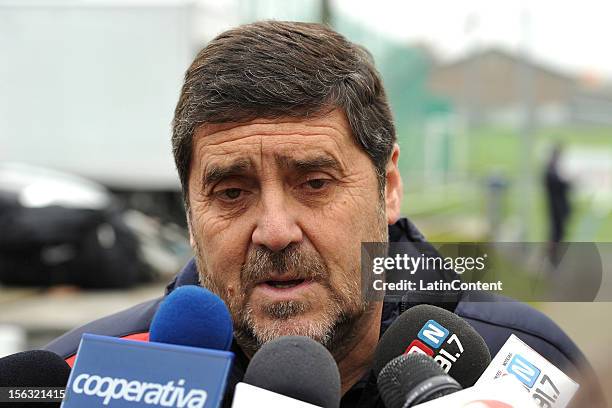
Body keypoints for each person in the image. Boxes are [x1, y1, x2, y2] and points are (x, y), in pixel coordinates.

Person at [45, 21, 605, 407]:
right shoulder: (82, 375)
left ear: (387, 188)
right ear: (189, 213)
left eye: (313, 183)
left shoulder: (529, 363)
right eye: (231, 193)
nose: (275, 231)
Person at [544, 144, 572, 265]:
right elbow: (557, 185)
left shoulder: (553, 169)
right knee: (555, 233)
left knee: (558, 233)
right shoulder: (550, 170)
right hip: (555, 207)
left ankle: (554, 258)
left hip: (558, 207)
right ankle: (552, 259)